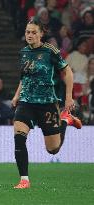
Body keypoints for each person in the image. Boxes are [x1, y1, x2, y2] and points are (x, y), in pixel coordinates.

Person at [11, 20, 82, 189]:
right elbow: (24, 77)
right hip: (26, 103)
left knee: (53, 150)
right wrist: (16, 96)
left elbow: (67, 71)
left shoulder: (50, 51)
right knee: (19, 138)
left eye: (33, 32)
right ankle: (24, 180)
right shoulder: (23, 53)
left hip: (47, 105)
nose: (30, 35)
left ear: (41, 33)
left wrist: (68, 97)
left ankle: (65, 120)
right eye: (28, 32)